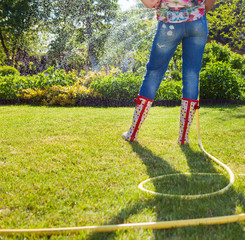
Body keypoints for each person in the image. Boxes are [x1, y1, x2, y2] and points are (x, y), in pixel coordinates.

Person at [122, 0, 216, 145]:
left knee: (154, 72)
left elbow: (149, 3)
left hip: (169, 23)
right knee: (191, 75)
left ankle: (132, 133)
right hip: (197, 22)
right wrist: (198, 12)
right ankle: (183, 138)